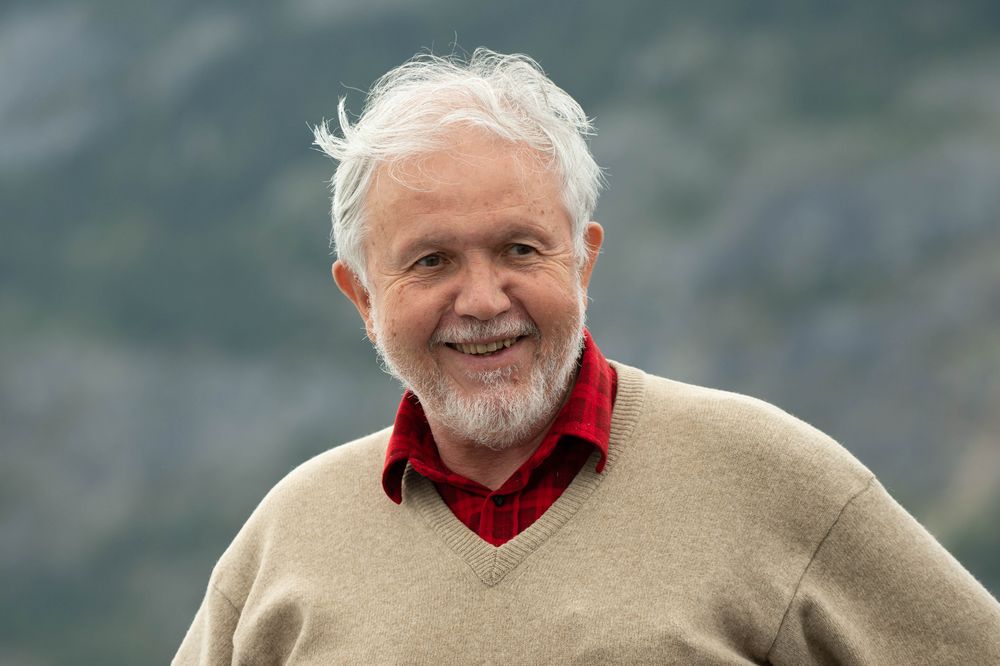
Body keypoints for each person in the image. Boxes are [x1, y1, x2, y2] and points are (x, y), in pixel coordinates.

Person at [174, 49, 1000, 664]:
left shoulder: (774, 476)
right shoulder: (287, 540)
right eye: (431, 262)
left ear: (583, 259)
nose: (483, 299)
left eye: (521, 249)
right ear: (362, 297)